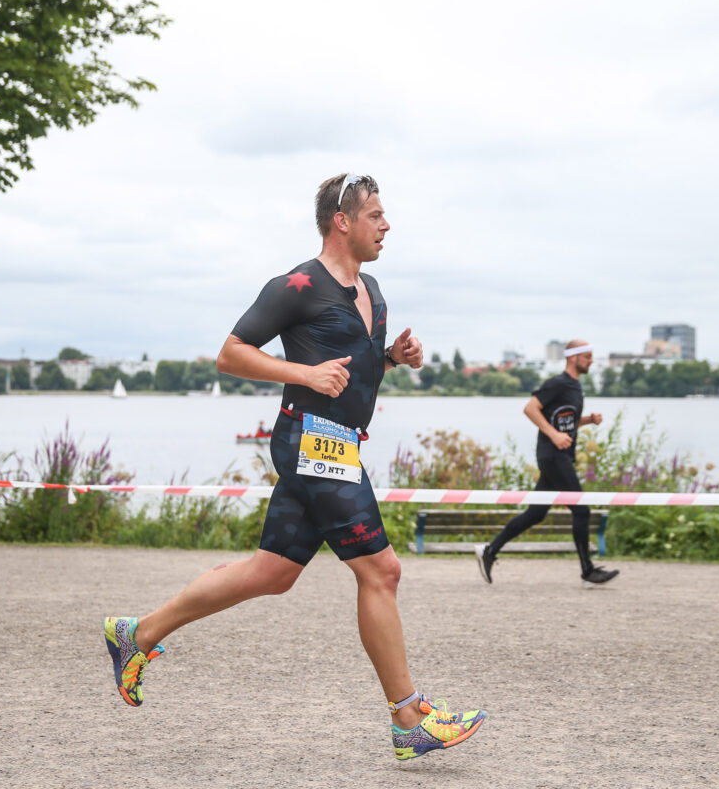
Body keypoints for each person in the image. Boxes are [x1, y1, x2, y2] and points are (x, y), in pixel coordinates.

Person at [103, 173, 486, 760]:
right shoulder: (296, 285)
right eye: (376, 215)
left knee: (272, 573)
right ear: (342, 220)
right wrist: (303, 375)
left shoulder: (373, 289)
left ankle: (139, 633)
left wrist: (391, 356)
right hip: (314, 443)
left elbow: (351, 361)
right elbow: (231, 354)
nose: (387, 225)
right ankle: (408, 719)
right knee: (381, 572)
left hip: (342, 442)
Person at [475, 340, 620, 587]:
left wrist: (587, 420)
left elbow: (563, 421)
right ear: (573, 358)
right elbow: (531, 408)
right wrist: (553, 435)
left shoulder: (574, 387)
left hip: (557, 457)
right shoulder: (558, 383)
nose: (591, 361)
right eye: (587, 356)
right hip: (553, 456)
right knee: (581, 509)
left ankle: (489, 550)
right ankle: (587, 570)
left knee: (536, 513)